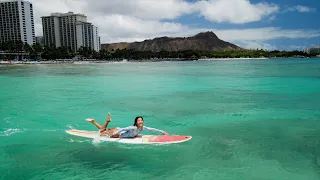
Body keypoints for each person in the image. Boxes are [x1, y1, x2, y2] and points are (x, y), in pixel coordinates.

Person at [86, 113, 168, 138]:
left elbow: (151, 129)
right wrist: (113, 134)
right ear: (136, 122)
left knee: (102, 130)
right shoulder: (133, 127)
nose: (141, 121)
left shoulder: (143, 127)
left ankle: (94, 121)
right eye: (139, 120)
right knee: (101, 132)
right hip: (117, 133)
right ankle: (105, 121)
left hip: (118, 131)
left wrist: (162, 131)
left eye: (141, 120)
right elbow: (123, 129)